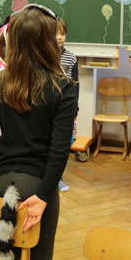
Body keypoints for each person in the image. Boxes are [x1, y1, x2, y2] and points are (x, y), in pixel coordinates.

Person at [0, 4, 77, 260]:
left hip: (1, 179)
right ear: (48, 42)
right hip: (39, 183)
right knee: (39, 256)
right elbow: (59, 149)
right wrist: (44, 196)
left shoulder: (0, 82)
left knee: (1, 255)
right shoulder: (63, 86)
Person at [55, 17, 79, 192]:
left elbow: (75, 84)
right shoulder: (42, 56)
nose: (59, 37)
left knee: (63, 144)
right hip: (49, 107)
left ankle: (59, 177)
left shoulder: (71, 58)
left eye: (62, 34)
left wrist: (75, 107)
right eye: (56, 33)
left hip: (65, 108)